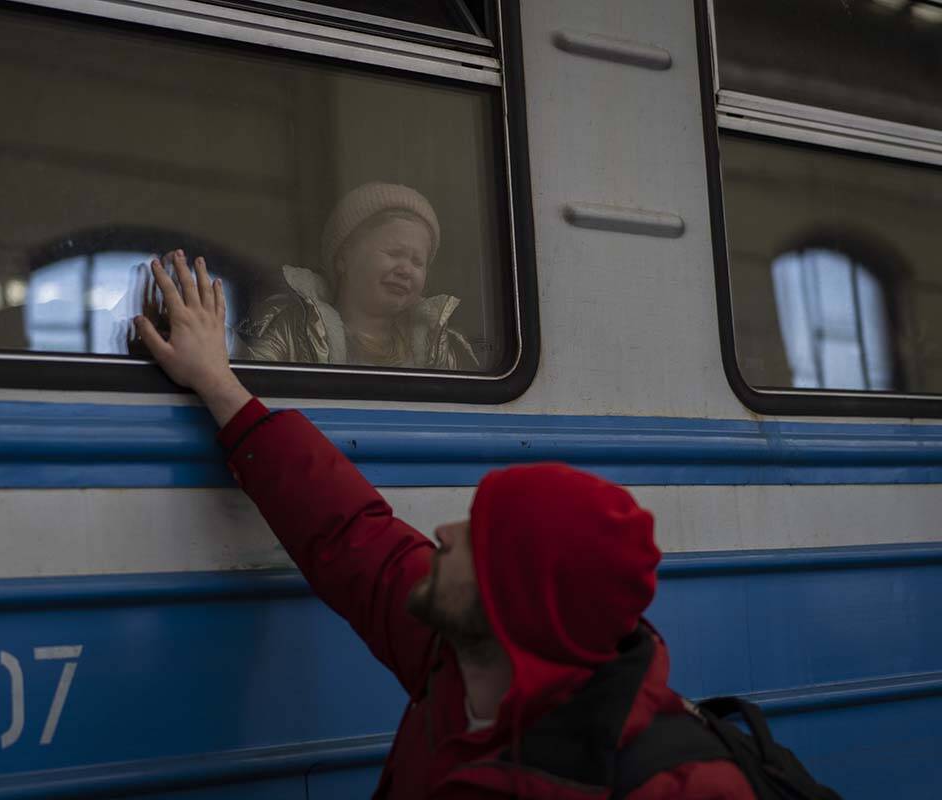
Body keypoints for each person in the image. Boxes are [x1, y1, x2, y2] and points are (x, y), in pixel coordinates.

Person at [133, 252, 755, 799]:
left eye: (478, 538)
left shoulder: (677, 784)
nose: (444, 536)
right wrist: (218, 382)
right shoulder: (461, 659)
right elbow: (347, 529)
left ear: (516, 598)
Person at [237, 182, 479, 370]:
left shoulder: (439, 345)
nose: (406, 269)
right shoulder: (293, 329)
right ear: (343, 258)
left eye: (418, 262)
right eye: (394, 253)